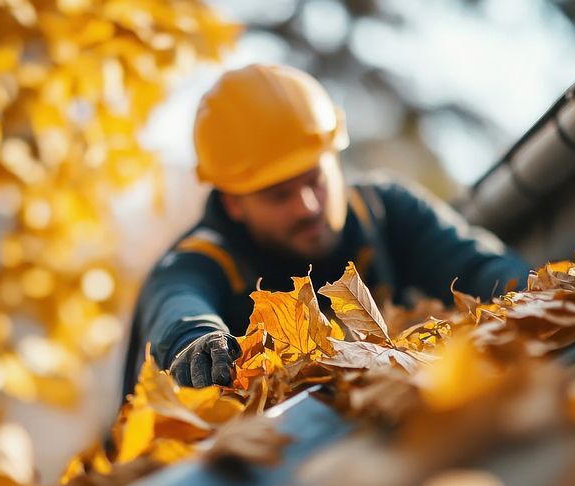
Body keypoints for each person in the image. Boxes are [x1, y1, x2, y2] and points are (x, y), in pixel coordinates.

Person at [122, 64, 530, 396]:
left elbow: (480, 266)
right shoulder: (198, 260)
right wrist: (194, 339)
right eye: (279, 196)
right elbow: (177, 301)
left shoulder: (387, 210)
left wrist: (534, 297)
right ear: (233, 202)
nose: (308, 206)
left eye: (314, 179)